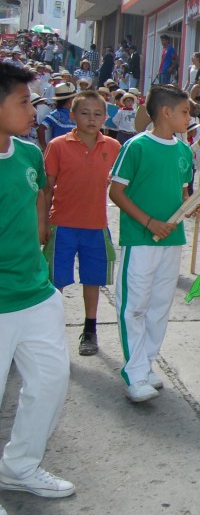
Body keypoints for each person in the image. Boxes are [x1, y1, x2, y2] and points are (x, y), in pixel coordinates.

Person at [0, 60, 75, 499]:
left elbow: (37, 211)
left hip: (34, 293)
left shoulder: (28, 152)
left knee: (49, 380)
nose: (32, 110)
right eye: (23, 101)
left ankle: (20, 466)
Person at [108, 85, 194, 402]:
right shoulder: (136, 147)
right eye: (184, 111)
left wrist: (191, 204)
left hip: (172, 240)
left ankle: (146, 365)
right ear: (166, 112)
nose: (189, 117)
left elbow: (182, 195)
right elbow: (115, 192)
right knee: (134, 306)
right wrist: (148, 222)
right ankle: (133, 372)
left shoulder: (184, 151)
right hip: (140, 240)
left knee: (159, 307)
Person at [42, 90, 120, 357]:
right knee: (56, 282)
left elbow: (124, 186)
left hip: (96, 226)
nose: (91, 118)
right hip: (61, 225)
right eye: (84, 113)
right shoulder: (58, 146)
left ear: (105, 117)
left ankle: (90, 330)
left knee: (92, 280)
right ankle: (51, 332)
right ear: (72, 115)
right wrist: (42, 224)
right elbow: (47, 189)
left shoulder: (113, 147)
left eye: (98, 114)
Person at [38, 82, 77, 149]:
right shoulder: (57, 114)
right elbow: (40, 129)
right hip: (59, 151)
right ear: (70, 100)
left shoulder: (76, 113)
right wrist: (45, 148)